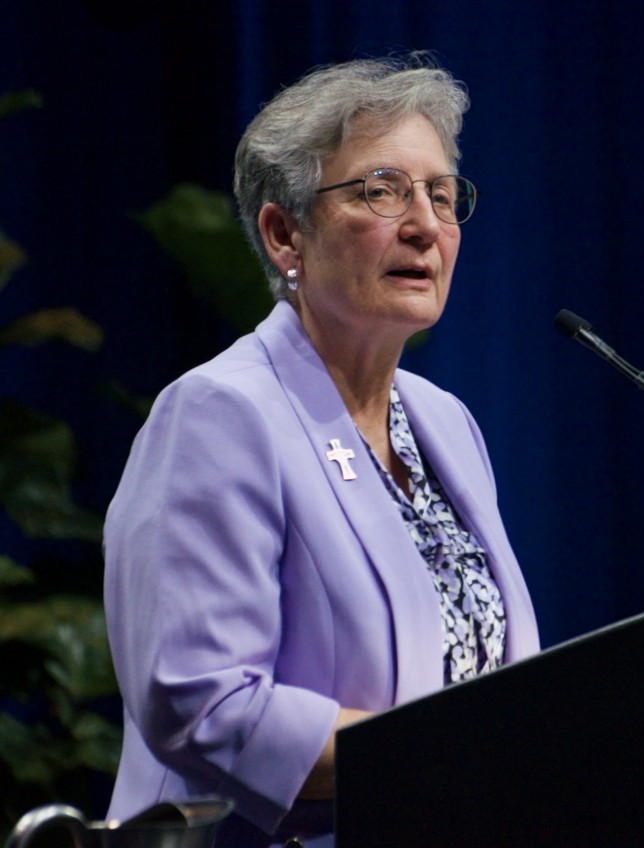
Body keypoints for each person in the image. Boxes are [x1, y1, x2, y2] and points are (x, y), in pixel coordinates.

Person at [103, 54, 539, 847]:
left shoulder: (445, 423)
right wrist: (444, 754)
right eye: (382, 190)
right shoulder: (220, 415)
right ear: (284, 234)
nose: (425, 224)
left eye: (442, 195)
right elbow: (201, 704)